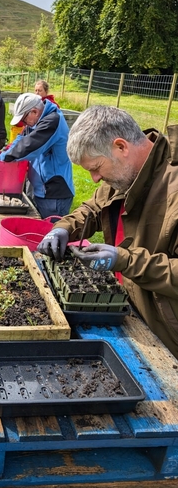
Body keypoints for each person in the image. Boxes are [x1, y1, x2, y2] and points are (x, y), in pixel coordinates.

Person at [37, 105, 178, 359]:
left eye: (96, 167)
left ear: (121, 147)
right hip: (131, 312)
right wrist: (63, 228)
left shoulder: (172, 188)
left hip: (167, 337)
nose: (93, 178)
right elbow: (93, 208)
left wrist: (125, 260)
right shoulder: (128, 172)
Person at [0, 92, 74, 218]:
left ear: (34, 111)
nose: (23, 123)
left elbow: (30, 145)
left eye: (23, 119)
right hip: (41, 189)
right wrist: (5, 152)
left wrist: (4, 159)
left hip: (54, 192)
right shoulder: (36, 121)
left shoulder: (52, 121)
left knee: (49, 233)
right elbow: (21, 138)